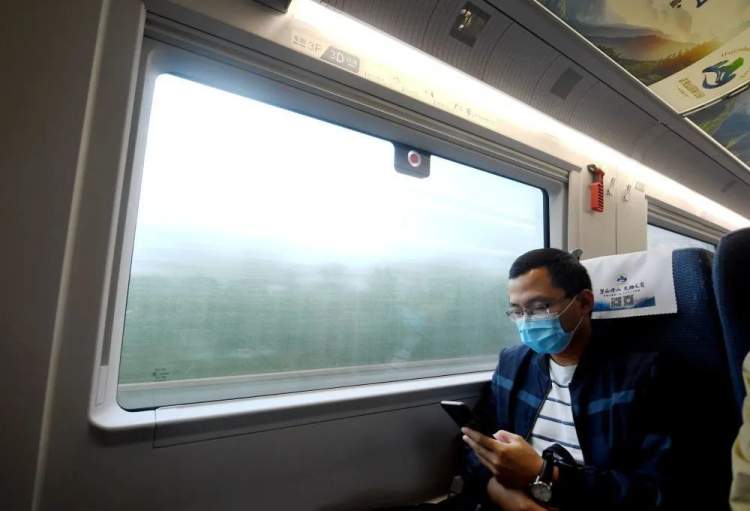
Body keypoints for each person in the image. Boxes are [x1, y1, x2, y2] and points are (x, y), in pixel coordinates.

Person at [457, 248, 672, 510]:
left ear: (584, 303)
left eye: (540, 307)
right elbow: (475, 446)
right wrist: (503, 494)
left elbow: (655, 491)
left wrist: (544, 472)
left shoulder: (644, 375)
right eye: (517, 311)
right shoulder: (512, 365)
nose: (527, 321)